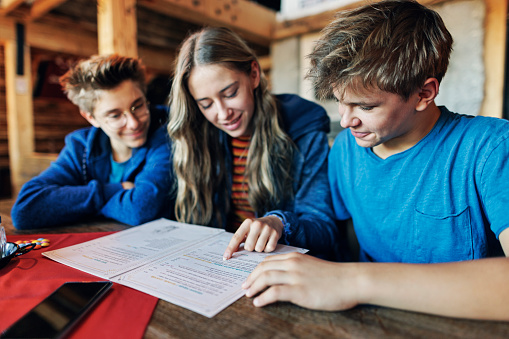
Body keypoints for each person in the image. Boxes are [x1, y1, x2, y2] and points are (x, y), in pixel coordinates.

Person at [243, 0, 509, 321]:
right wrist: (283, 226)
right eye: (340, 101)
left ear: (425, 93)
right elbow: (338, 236)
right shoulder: (346, 148)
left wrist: (351, 281)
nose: (345, 120)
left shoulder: (490, 147)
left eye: (365, 107)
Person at [168, 27, 342, 260]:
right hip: (218, 264)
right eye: (206, 104)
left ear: (253, 74)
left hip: (280, 267)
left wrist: (279, 222)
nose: (222, 114)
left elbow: (324, 230)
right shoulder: (196, 136)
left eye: (230, 93)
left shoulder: (303, 129)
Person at [12, 54, 175, 229]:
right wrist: (114, 189)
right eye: (115, 115)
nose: (134, 123)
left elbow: (141, 208)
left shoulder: (166, 133)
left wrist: (75, 205)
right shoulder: (81, 146)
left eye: (138, 106)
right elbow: (25, 209)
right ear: (91, 118)